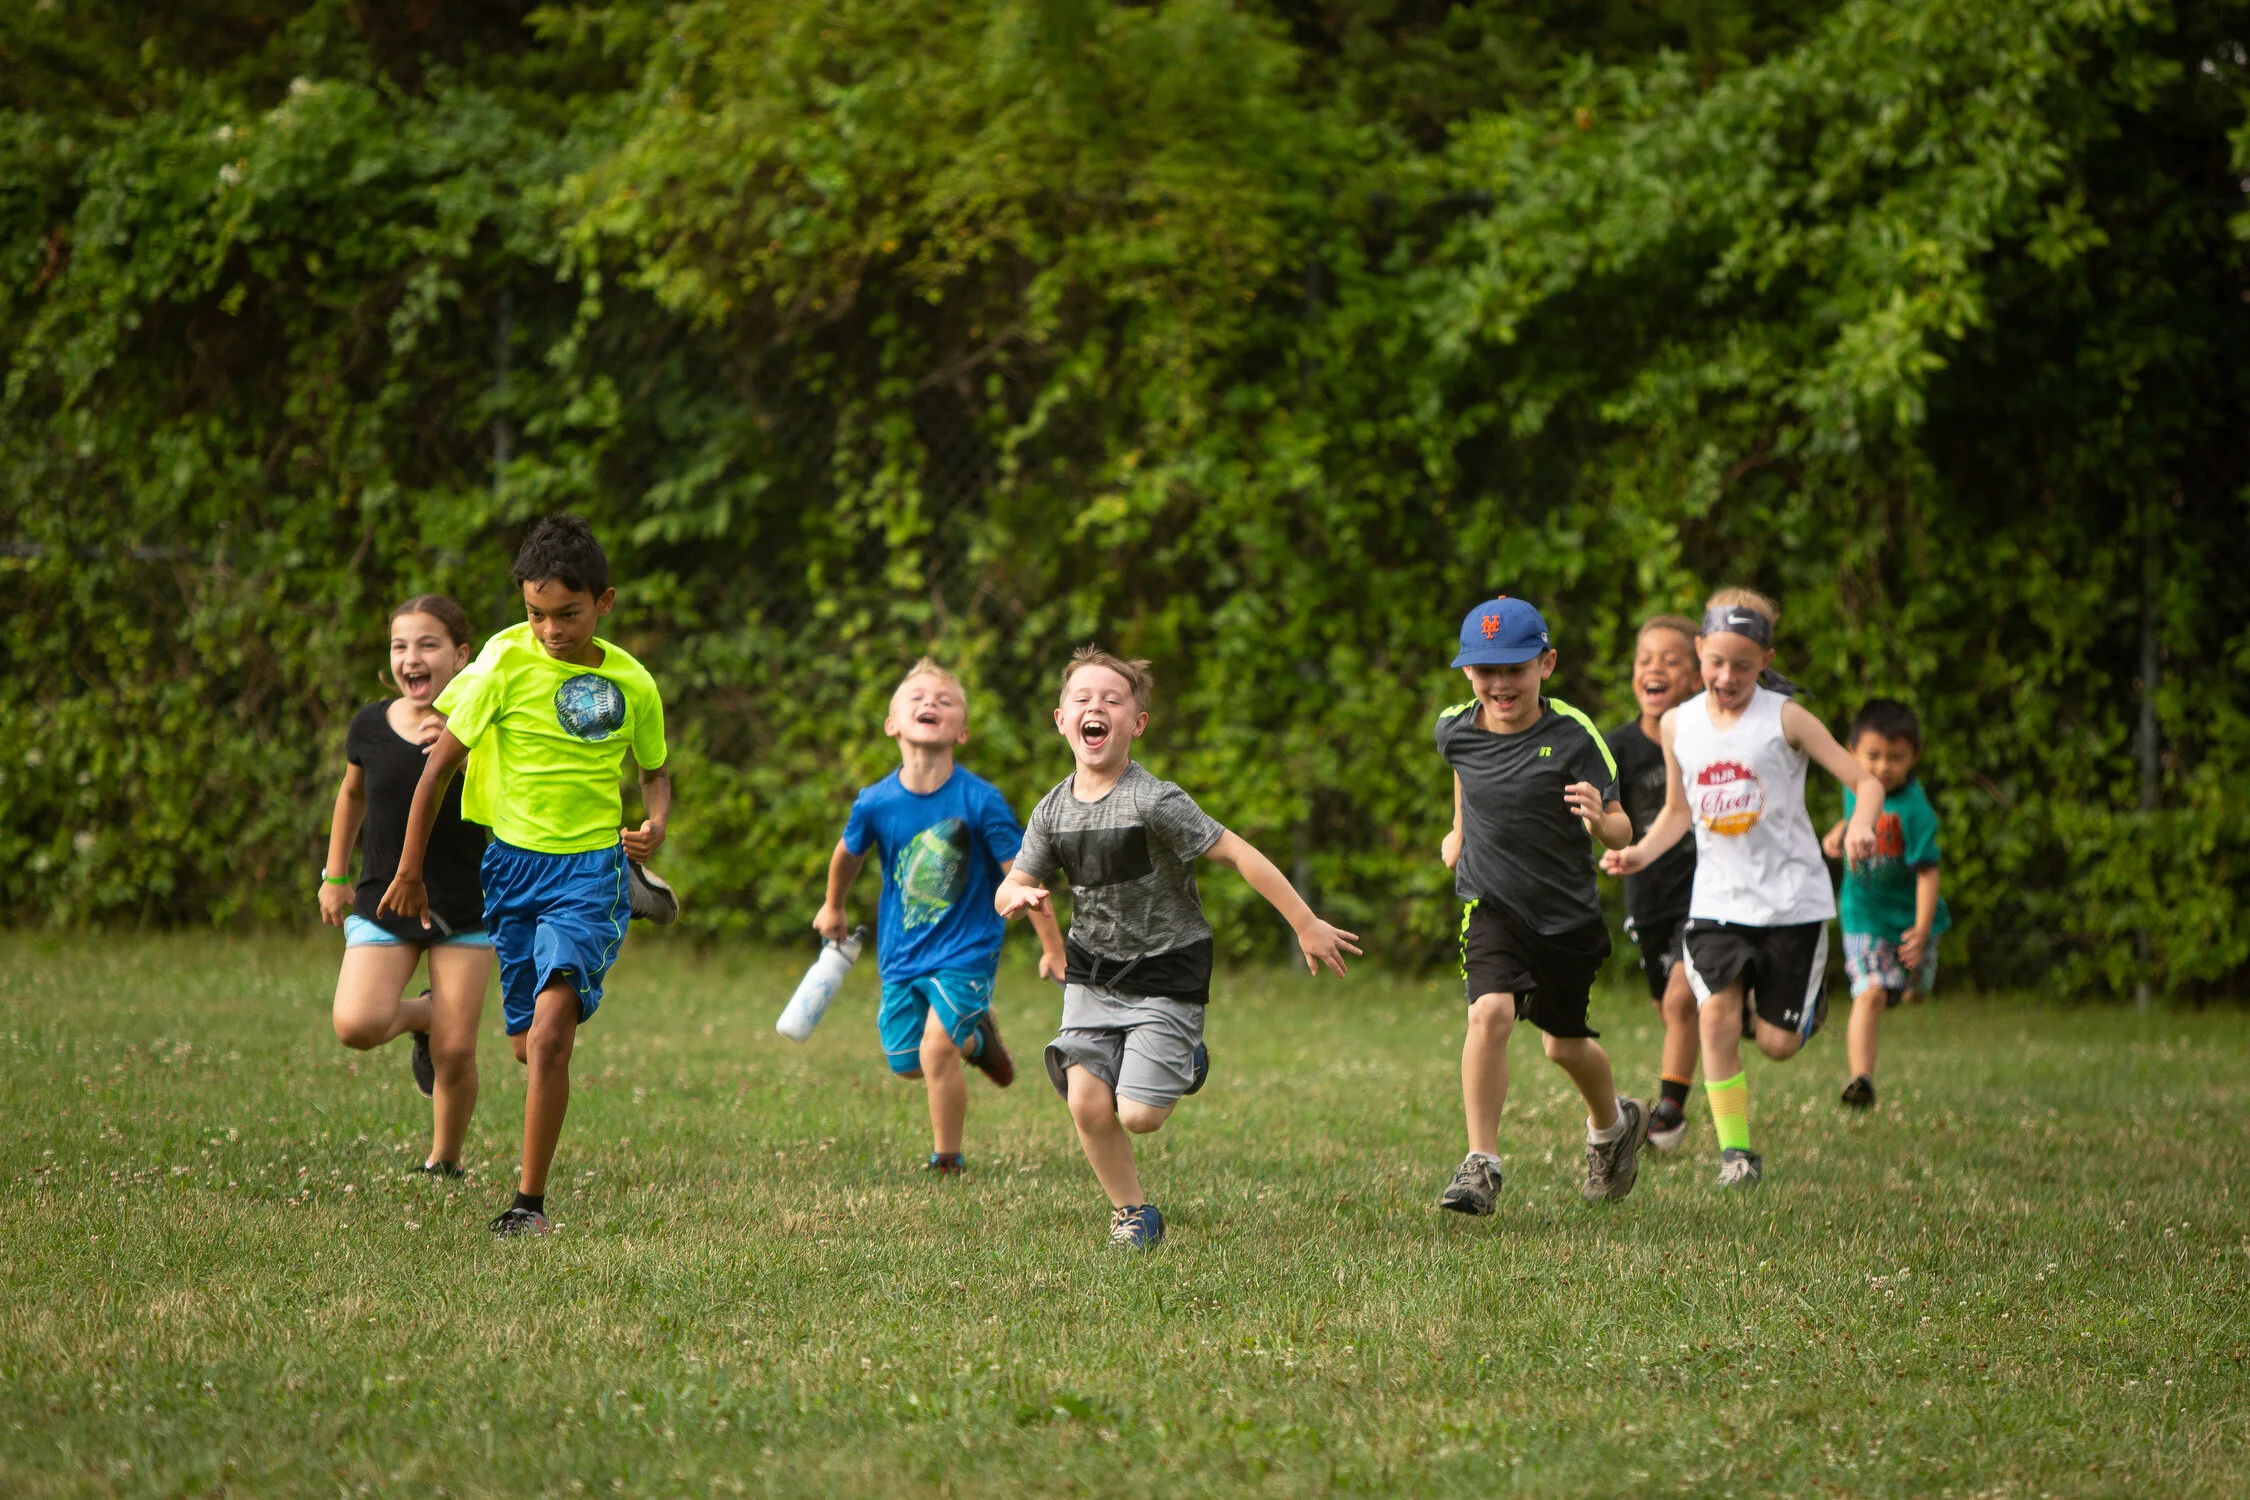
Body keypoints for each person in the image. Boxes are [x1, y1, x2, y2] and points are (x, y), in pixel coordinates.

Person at [995, 647, 1361, 1250]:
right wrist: (1016, 897)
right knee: (1087, 1100)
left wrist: (1304, 922)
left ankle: (1185, 1056)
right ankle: (1132, 1213)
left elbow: (1238, 852)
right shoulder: (1051, 810)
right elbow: (1017, 880)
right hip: (1093, 972)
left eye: (1112, 701)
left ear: (1136, 723)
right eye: (1082, 699)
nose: (1096, 708)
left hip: (1167, 968)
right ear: (1060, 719)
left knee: (1139, 1116)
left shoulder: (1155, 801)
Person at [379, 514, 671, 1238]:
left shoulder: (632, 682)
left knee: (547, 1040)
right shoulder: (502, 663)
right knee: (523, 1042)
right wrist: (409, 868)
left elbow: (655, 770)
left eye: (567, 615)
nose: (549, 630)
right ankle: (594, 944)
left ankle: (527, 1205)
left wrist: (655, 822)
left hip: (589, 869)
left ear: (604, 603)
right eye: (535, 614)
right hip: (509, 870)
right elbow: (436, 771)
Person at [1608, 588, 1884, 1188]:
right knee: (1714, 1019)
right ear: (1700, 651)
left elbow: (1863, 779)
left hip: (1791, 903)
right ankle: (1737, 1154)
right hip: (1718, 903)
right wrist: (1638, 853)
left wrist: (1861, 822)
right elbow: (1679, 813)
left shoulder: (1786, 718)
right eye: (1716, 662)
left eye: (1742, 664)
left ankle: (1797, 1005)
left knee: (1781, 1045)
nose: (1726, 676)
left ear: (1765, 659)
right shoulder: (1678, 725)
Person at [1434, 595, 1650, 1218]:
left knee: (1563, 1044)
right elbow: (1464, 772)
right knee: (1489, 1015)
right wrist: (1459, 831)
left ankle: (1613, 1129)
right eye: (1485, 670)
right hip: (1492, 903)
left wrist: (1599, 822)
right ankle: (1481, 1163)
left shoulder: (1575, 735)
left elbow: (1622, 828)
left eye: (1516, 667)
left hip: (1567, 916)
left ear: (1546, 664)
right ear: (1468, 672)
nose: (1500, 683)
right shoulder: (1454, 726)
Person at [814, 657, 1067, 1174]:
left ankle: (946, 1158)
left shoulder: (980, 800)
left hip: (967, 950)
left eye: (944, 700)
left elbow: (1024, 875)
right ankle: (978, 1038)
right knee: (906, 1062)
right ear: (892, 724)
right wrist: (833, 904)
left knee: (935, 1052)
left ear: (963, 731)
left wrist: (1053, 947)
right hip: (902, 951)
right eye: (917, 698)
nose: (930, 703)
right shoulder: (875, 802)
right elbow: (848, 854)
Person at [320, 595, 492, 1179]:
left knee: (456, 1050)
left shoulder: (487, 724)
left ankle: (444, 1161)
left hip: (466, 904)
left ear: (461, 656)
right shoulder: (370, 725)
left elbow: (511, 802)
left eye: (428, 645)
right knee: (356, 1025)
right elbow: (352, 796)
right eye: (400, 646)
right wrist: (334, 876)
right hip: (383, 899)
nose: (411, 658)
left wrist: (463, 753)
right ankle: (421, 1015)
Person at [1599, 614, 1705, 1152]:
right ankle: (1728, 1023)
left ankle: (1668, 1111)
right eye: (1645, 659)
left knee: (1685, 996)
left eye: (1670, 659)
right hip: (1649, 897)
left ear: (1696, 675)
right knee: (1670, 1006)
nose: (1654, 668)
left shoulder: (1707, 737)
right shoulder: (1615, 745)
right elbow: (1605, 817)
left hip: (1707, 890)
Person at [1822, 697, 1949, 1110]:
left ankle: (1910, 988)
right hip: (1863, 914)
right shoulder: (1853, 782)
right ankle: (1861, 1080)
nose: (1882, 767)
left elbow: (1928, 873)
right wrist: (1839, 831)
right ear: (1851, 752)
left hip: (1911, 918)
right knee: (1870, 992)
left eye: (1895, 758)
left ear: (1914, 756)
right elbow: (1857, 811)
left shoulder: (1916, 812)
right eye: (1872, 756)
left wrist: (1923, 927)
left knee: (1916, 990)